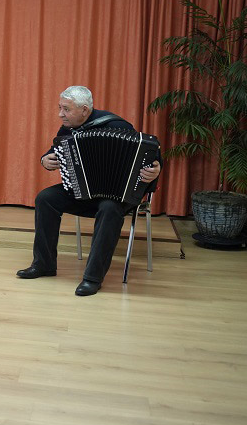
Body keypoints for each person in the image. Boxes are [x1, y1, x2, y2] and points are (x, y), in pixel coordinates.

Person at [16, 86, 161, 296]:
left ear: (84, 110)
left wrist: (155, 170)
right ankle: (44, 264)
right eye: (60, 108)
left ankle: (93, 278)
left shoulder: (118, 126)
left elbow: (151, 155)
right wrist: (45, 160)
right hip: (83, 192)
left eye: (66, 109)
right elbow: (53, 152)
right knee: (45, 198)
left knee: (109, 208)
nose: (60, 114)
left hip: (120, 195)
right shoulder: (67, 129)